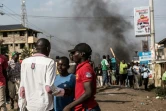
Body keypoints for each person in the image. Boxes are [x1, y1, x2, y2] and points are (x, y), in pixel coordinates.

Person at [19, 38, 65, 111]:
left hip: (30, 106)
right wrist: (63, 92)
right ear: (48, 48)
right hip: (45, 106)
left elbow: (22, 89)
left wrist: (21, 107)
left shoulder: (25, 62)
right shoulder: (50, 62)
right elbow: (49, 88)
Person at [64, 43, 101, 111]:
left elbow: (88, 93)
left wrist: (69, 106)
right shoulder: (81, 67)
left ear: (82, 54)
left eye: (74, 53)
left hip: (88, 108)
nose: (73, 55)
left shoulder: (85, 68)